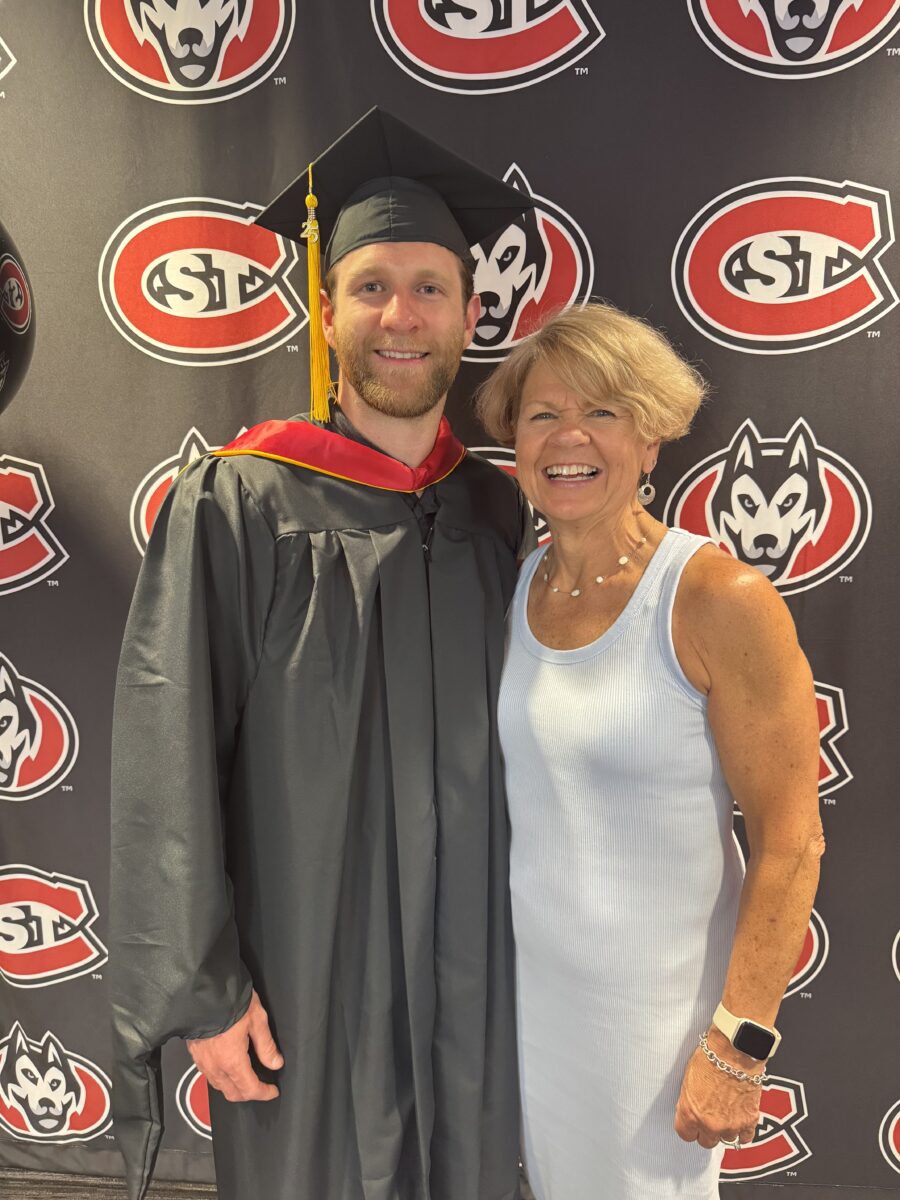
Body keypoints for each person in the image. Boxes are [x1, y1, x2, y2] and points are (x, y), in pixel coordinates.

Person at [109, 108, 536, 1200]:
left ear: (471, 312)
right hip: (308, 967)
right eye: (371, 286)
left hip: (478, 969)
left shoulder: (498, 510)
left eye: (430, 288)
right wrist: (203, 988)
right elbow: (169, 747)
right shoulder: (241, 499)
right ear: (326, 308)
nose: (402, 315)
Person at [476, 302, 824, 1200]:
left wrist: (738, 1045)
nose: (569, 438)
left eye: (603, 412)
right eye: (542, 415)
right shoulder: (518, 587)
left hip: (652, 1031)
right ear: (514, 443)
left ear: (652, 439)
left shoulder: (717, 598)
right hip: (531, 1004)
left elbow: (792, 841)